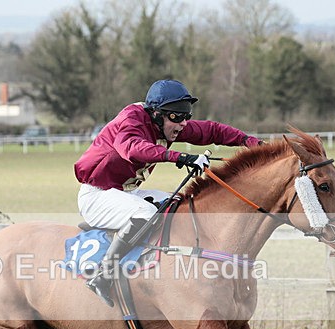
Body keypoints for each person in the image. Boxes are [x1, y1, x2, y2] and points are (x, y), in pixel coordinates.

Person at [74, 79, 262, 306]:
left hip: (125, 193)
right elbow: (132, 148)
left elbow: (211, 131)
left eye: (186, 116)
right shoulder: (131, 120)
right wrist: (180, 157)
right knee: (145, 213)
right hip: (97, 195)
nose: (183, 123)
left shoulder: (165, 123)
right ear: (156, 113)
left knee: (177, 204)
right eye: (176, 116)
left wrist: (249, 141)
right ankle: (102, 275)